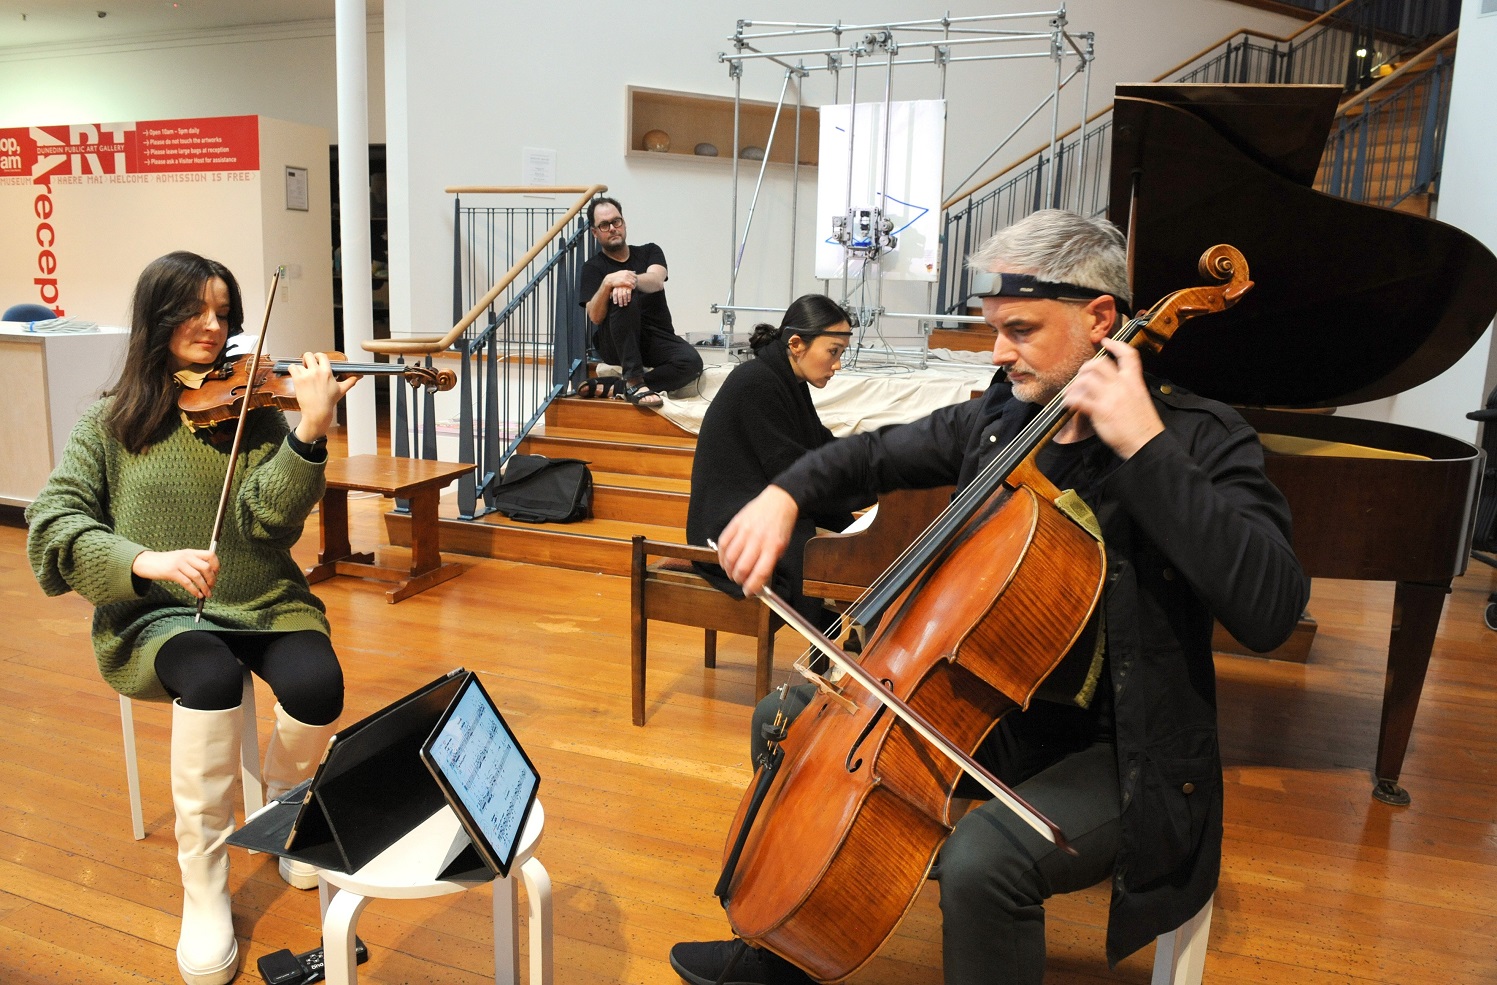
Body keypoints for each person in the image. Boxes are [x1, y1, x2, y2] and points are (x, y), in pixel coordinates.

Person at [668, 210, 1310, 985]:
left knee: (983, 859)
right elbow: (874, 453)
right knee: (785, 720)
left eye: (1021, 328)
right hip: (990, 714)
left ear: (1098, 318)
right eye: (993, 327)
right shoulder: (1006, 420)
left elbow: (1271, 606)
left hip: (1122, 748)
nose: (997, 350)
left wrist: (1144, 445)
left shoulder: (1200, 438)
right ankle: (785, 947)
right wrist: (780, 493)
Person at [25, 251, 360, 985]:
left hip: (264, 595)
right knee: (207, 674)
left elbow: (269, 525)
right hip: (161, 615)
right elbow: (52, 522)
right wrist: (142, 561)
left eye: (223, 313)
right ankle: (203, 882)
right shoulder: (109, 422)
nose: (213, 327)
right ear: (156, 317)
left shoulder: (256, 410)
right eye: (195, 310)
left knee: (317, 685)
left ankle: (286, 810)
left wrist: (308, 430)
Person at [686, 294, 869, 633]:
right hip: (731, 526)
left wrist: (876, 460)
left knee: (855, 544)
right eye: (833, 352)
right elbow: (793, 471)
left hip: (754, 507)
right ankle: (849, 647)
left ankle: (857, 642)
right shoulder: (757, 383)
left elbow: (821, 445)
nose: (838, 364)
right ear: (797, 343)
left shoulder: (784, 378)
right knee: (848, 555)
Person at [577, 196, 703, 408]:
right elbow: (595, 316)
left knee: (691, 362)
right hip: (616, 343)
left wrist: (629, 279)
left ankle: (619, 387)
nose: (612, 228)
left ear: (624, 223)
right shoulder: (592, 267)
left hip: (655, 337)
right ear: (595, 233)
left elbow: (656, 281)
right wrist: (608, 283)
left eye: (616, 222)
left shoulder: (650, 251)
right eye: (604, 225)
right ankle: (634, 380)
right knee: (621, 296)